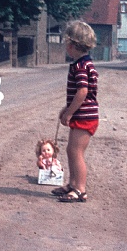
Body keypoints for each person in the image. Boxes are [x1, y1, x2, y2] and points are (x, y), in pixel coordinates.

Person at [51, 21, 99, 203]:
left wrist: (69, 113)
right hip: (84, 113)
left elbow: (83, 92)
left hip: (85, 116)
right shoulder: (86, 63)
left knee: (76, 152)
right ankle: (72, 184)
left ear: (71, 45)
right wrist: (67, 109)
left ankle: (80, 189)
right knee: (72, 150)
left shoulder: (80, 66)